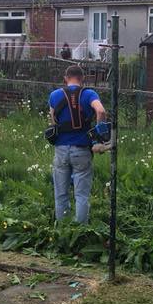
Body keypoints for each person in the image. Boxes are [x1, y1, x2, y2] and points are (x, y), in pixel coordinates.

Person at [49, 65, 107, 223]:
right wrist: (99, 137)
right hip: (82, 150)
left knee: (61, 193)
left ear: (65, 78)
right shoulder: (89, 94)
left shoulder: (54, 95)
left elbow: (52, 120)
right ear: (83, 79)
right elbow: (101, 111)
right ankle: (81, 232)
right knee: (81, 195)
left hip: (61, 149)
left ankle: (63, 230)